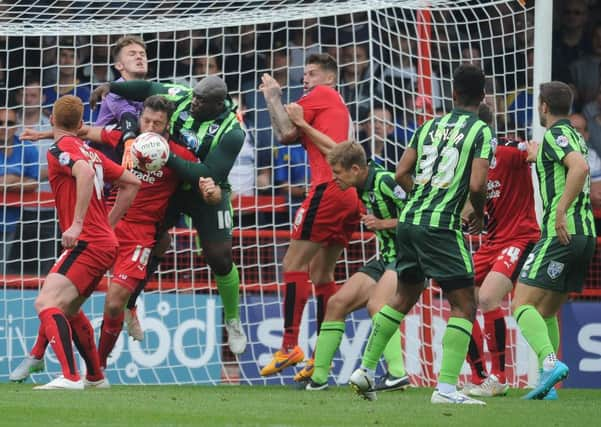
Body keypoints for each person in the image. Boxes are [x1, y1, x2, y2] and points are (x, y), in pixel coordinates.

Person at [11, 96, 210, 376]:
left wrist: (209, 189)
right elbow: (82, 131)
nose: (150, 126)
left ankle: (98, 366)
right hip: (107, 223)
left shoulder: (177, 156)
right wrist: (46, 133)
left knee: (112, 301)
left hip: (141, 234)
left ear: (167, 127)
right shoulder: (125, 141)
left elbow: (202, 176)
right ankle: (41, 354)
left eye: (158, 123)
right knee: (64, 299)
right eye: (147, 120)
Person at [349, 64, 492, 405]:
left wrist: (420, 198)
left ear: (453, 93)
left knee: (402, 297)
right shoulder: (481, 131)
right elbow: (476, 183)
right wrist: (477, 212)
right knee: (465, 303)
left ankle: (366, 370)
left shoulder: (429, 125)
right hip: (441, 226)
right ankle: (445, 389)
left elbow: (400, 172)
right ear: (483, 96)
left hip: (409, 221)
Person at [91, 75, 248, 354]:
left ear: (218, 104)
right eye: (195, 97)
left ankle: (232, 318)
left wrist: (163, 155)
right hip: (172, 185)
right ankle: (129, 305)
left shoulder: (232, 131)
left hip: (207, 189)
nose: (195, 103)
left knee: (219, 258)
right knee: (152, 241)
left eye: (201, 101)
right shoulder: (182, 95)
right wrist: (111, 87)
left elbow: (208, 174)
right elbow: (146, 88)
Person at [258, 53, 362, 376]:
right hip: (349, 195)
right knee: (322, 275)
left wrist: (273, 97)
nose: (306, 79)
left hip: (327, 188)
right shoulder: (334, 105)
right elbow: (286, 135)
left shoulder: (321, 95)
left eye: (312, 73)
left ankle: (289, 346)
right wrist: (275, 103)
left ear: (329, 78)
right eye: (304, 74)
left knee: (292, 264)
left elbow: (288, 129)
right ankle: (320, 357)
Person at [25, 95, 140, 390]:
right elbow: (132, 183)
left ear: (51, 119)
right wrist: (109, 224)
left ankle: (70, 376)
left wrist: (77, 223)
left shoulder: (60, 149)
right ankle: (95, 377)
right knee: (70, 309)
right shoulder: (90, 151)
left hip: (87, 241)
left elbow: (84, 173)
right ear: (80, 125)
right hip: (103, 242)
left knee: (46, 302)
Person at [300, 140, 409, 392]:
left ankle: (397, 374)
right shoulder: (360, 185)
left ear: (356, 169)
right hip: (387, 257)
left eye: (338, 172)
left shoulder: (385, 181)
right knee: (337, 304)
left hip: (410, 256)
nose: (334, 178)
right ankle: (317, 380)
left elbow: (420, 214)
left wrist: (384, 224)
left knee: (378, 305)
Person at [512, 81, 596, 400]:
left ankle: (549, 364)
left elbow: (579, 168)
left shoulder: (556, 134)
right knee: (545, 312)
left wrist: (560, 210)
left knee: (521, 303)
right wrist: (538, 158)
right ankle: (548, 388)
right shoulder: (574, 134)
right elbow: (569, 164)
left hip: (561, 232)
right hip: (584, 236)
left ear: (544, 106)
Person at [462, 103, 540, 398]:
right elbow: (472, 199)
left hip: (520, 237)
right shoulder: (471, 162)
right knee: (461, 299)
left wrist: (534, 155)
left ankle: (500, 378)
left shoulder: (508, 149)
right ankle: (479, 376)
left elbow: (535, 152)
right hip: (491, 242)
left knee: (487, 297)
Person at [92, 34, 149, 341]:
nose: (140, 57)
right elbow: (131, 127)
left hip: (137, 191)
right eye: (132, 53)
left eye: (142, 53)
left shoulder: (152, 98)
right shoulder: (114, 97)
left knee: (159, 243)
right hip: (103, 190)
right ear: (118, 65)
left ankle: (131, 305)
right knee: (99, 254)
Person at [16, 76, 57, 275]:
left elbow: (57, 167)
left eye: (34, 95)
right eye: (25, 95)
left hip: (48, 209)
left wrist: (27, 179)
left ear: (43, 98)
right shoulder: (7, 126)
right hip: (15, 209)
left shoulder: (51, 129)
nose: (29, 99)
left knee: (46, 269)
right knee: (14, 269)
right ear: (18, 97)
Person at [0, 108, 39, 270]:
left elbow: (33, 183)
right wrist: (17, 179)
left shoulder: (28, 149)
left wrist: (7, 181)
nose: (4, 127)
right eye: (0, 123)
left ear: (16, 127)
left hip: (15, 223)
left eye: (10, 123)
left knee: (5, 272)